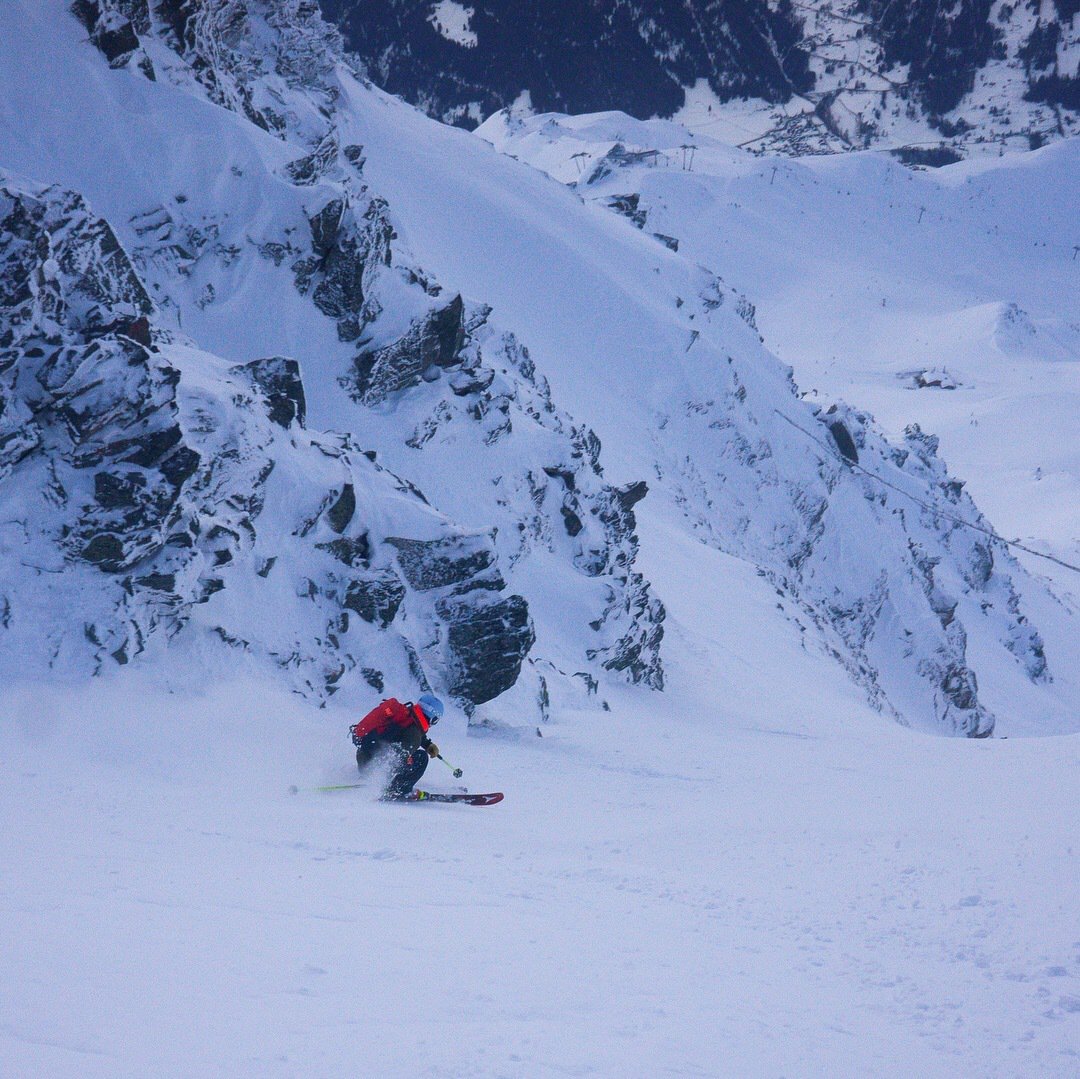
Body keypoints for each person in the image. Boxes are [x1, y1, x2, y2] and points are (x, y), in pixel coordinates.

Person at [350, 693, 445, 798]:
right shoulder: (414, 734)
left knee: (404, 755)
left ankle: (377, 778)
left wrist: (427, 744)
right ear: (432, 718)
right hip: (373, 771)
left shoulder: (406, 716)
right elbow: (396, 757)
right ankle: (399, 790)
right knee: (422, 758)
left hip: (363, 759)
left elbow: (406, 732)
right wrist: (378, 779)